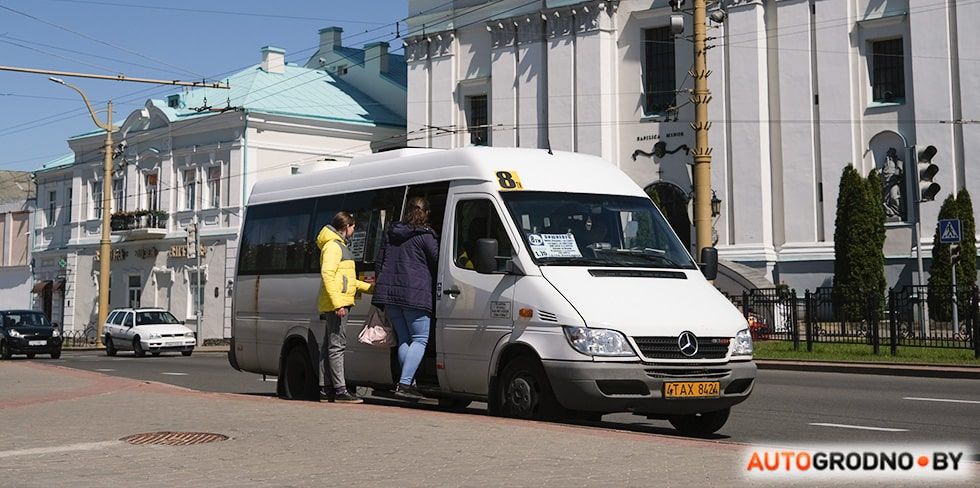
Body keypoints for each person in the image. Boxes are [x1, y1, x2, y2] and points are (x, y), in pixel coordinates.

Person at [373, 197, 439, 400]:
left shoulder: (392, 233)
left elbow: (379, 262)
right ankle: (404, 383)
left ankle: (408, 382)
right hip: (415, 294)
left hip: (391, 296)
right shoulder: (426, 236)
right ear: (426, 213)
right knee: (420, 339)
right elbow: (438, 263)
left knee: (404, 339)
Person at [317, 211, 374, 403]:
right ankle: (341, 390)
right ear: (345, 227)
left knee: (328, 346)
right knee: (337, 346)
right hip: (338, 304)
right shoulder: (333, 247)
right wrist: (338, 304)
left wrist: (371, 288)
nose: (354, 230)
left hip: (338, 301)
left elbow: (348, 281)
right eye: (353, 227)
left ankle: (325, 389)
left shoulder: (340, 246)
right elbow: (328, 275)